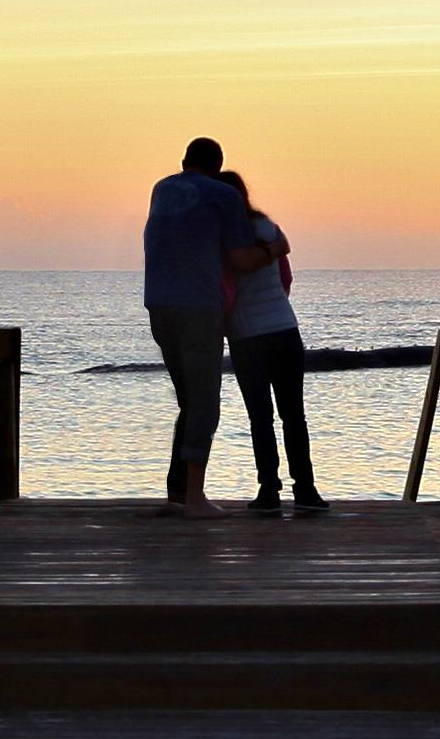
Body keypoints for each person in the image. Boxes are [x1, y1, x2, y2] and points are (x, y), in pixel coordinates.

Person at [138, 139, 256, 515]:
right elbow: (239, 256)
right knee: (205, 402)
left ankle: (177, 491)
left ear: (183, 162)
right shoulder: (223, 194)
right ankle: (194, 498)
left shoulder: (162, 188)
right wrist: (273, 250)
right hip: (198, 306)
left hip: (158, 303)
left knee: (188, 400)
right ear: (218, 166)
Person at [226, 195, 323, 516]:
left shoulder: (222, 235)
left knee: (260, 417)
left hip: (247, 333)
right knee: (294, 415)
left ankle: (269, 489)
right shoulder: (269, 228)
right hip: (284, 327)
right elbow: (286, 278)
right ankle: (306, 488)